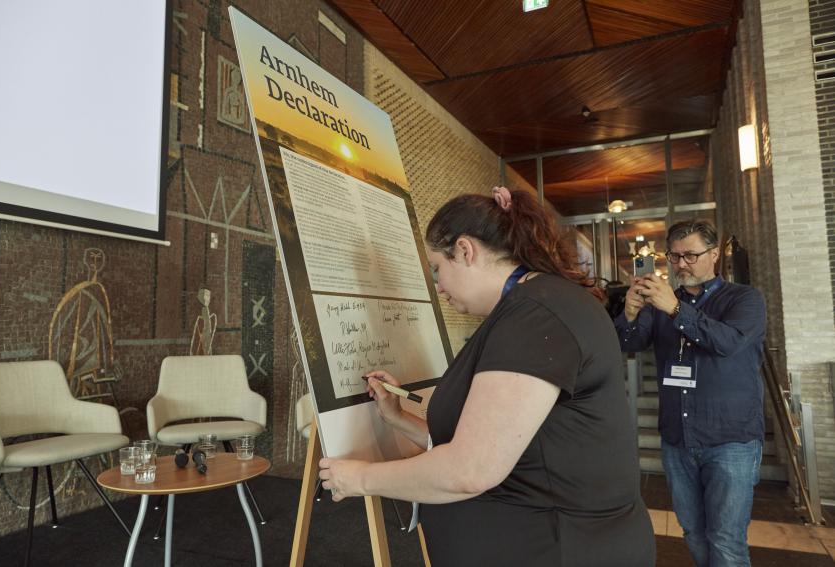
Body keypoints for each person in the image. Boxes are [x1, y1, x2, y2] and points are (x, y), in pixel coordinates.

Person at [319, 187, 655, 566]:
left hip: (558, 548)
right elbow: (508, 441)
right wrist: (398, 418)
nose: (438, 285)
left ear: (465, 250)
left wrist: (360, 479)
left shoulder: (535, 316)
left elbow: (471, 468)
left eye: (437, 268)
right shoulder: (536, 306)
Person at [614, 220, 766, 567]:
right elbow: (628, 343)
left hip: (731, 440)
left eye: (691, 255)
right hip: (678, 439)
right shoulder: (662, 303)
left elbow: (727, 343)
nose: (681, 264)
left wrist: (676, 310)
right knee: (693, 533)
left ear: (714, 254)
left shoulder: (744, 299)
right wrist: (631, 313)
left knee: (726, 541)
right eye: (675, 256)